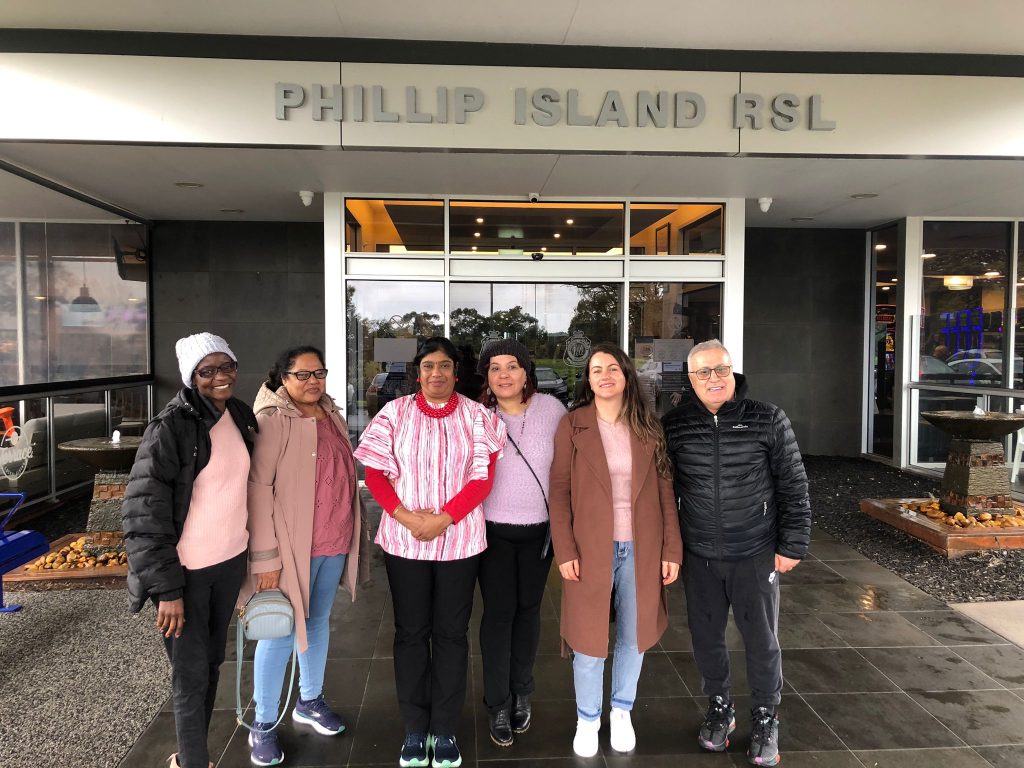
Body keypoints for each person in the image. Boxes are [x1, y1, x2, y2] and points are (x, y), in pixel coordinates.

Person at [353, 337, 506, 768]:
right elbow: (377, 474)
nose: (436, 374)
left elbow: (483, 479)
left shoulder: (478, 417)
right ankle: (415, 730)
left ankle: (445, 730)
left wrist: (443, 518)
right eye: (427, 367)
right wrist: (405, 516)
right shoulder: (393, 414)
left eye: (444, 366)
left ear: (457, 373)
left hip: (459, 542)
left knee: (452, 635)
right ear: (416, 372)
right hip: (405, 542)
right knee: (411, 634)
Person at [661, 339, 811, 767]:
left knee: (762, 641)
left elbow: (793, 483)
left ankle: (765, 716)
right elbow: (663, 491)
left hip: (755, 551)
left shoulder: (767, 418)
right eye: (703, 372)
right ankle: (720, 706)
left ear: (733, 372)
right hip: (700, 554)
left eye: (720, 370)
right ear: (690, 379)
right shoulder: (675, 424)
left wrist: (792, 543)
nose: (713, 378)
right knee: (707, 638)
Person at [122, 333, 257, 768]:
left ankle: (191, 756)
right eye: (208, 370)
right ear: (190, 377)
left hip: (229, 562)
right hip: (188, 572)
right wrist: (167, 590)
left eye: (227, 366)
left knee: (212, 664)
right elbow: (143, 515)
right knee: (189, 675)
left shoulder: (237, 413)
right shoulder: (171, 427)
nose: (221, 377)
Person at [548, 342, 683, 758]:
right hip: (591, 548)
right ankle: (587, 718)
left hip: (641, 547)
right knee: (589, 639)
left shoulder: (648, 427)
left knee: (632, 636)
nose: (603, 375)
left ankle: (621, 710)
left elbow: (665, 492)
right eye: (595, 370)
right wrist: (565, 548)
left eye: (612, 368)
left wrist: (671, 549)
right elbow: (559, 492)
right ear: (587, 380)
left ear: (626, 376)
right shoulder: (574, 425)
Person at [244, 345, 370, 767]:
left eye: (319, 373)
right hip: (289, 547)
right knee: (279, 632)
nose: (313, 381)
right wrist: (265, 557)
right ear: (283, 378)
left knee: (316, 623)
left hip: (332, 539)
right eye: (302, 375)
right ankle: (262, 723)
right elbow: (258, 489)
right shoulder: (272, 421)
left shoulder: (331, 414)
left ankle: (309, 700)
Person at [475, 340, 565, 747]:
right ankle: (496, 702)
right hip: (491, 530)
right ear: (487, 377)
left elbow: (569, 468)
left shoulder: (552, 410)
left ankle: (521, 692)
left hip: (539, 532)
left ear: (527, 372)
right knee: (498, 613)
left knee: (528, 611)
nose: (505, 374)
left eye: (513, 366)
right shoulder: (477, 416)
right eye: (495, 368)